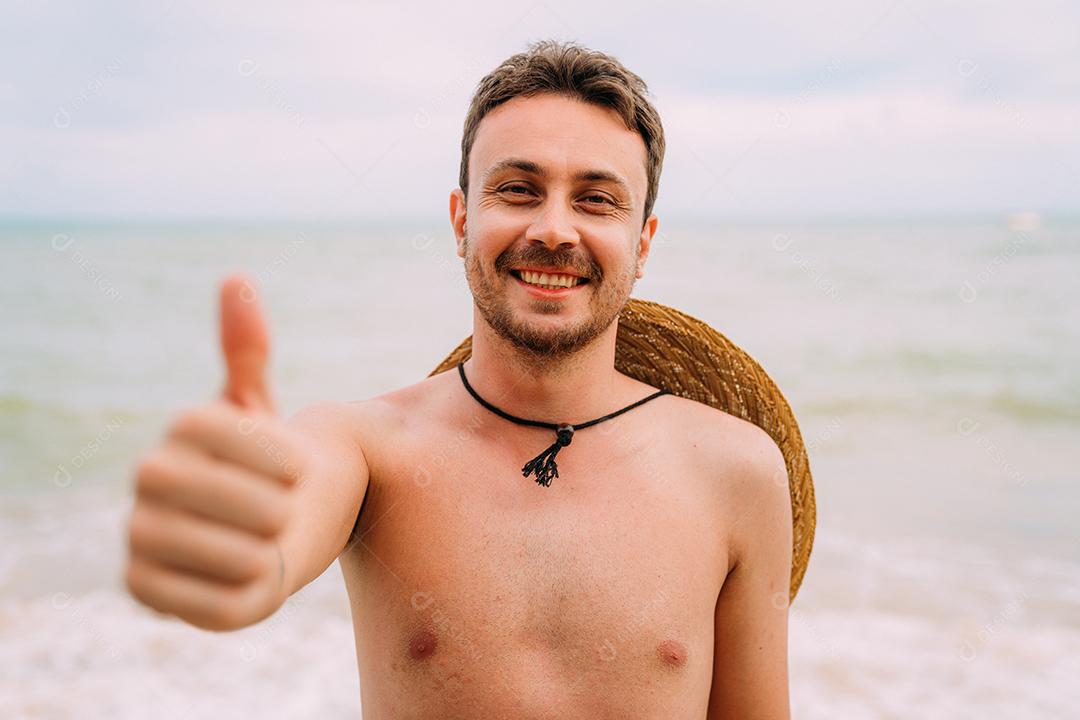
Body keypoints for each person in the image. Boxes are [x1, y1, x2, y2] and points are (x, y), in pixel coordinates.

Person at [124, 39, 794, 718]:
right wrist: (233, 547)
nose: (555, 229)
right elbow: (274, 539)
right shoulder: (368, 448)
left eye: (596, 199)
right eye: (517, 190)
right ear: (462, 219)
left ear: (643, 243)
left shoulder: (736, 472)